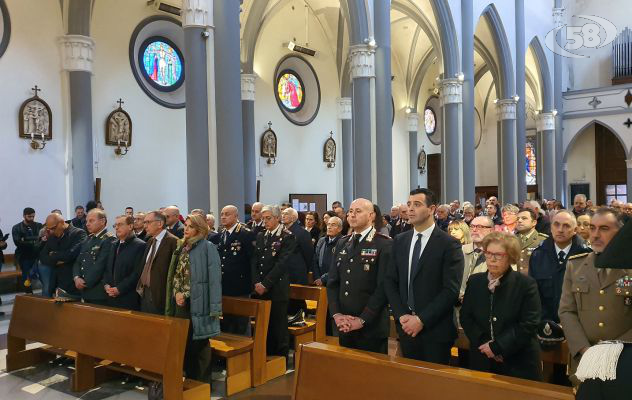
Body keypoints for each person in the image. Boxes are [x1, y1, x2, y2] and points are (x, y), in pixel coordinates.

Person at [384, 189, 463, 364]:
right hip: (405, 327)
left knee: (434, 388)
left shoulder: (449, 244)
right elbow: (390, 280)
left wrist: (421, 320)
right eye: (409, 204)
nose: (410, 209)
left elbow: (450, 290)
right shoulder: (400, 240)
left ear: (432, 209)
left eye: (417, 205)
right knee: (410, 386)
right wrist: (401, 315)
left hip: (435, 329)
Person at [558, 208, 632, 386]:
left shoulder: (629, 268)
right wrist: (585, 350)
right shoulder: (576, 265)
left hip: (625, 359)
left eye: (604, 229)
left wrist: (614, 351)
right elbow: (567, 311)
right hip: (585, 360)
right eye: (592, 228)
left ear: (621, 233)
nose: (596, 235)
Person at [460, 232, 542, 381]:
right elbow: (466, 317)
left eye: (499, 255)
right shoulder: (475, 281)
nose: (492, 259)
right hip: (482, 357)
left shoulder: (525, 284)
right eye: (488, 253)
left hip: (517, 361)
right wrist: (486, 345)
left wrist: (498, 347)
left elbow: (529, 323)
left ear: (510, 257)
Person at [328, 198, 392, 354]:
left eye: (358, 211)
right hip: (344, 323)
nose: (352, 215)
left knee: (371, 376)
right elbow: (333, 282)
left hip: (371, 325)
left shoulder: (383, 244)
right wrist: (337, 315)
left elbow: (383, 287)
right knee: (347, 374)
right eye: (350, 211)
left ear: (371, 216)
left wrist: (362, 319)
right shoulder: (343, 242)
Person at [165, 213, 221, 385]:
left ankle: (203, 383)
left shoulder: (207, 247)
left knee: (201, 343)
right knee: (185, 342)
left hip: (200, 301)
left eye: (189, 226)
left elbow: (214, 279)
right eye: (185, 226)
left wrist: (215, 308)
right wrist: (177, 293)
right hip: (181, 302)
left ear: (199, 229)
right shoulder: (182, 246)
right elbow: (175, 274)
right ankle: (189, 380)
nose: (185, 229)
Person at [529, 210, 591, 324]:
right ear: (551, 227)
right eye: (556, 224)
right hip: (545, 324)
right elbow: (534, 295)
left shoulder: (587, 255)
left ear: (575, 230)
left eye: (566, 226)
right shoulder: (538, 255)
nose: (560, 229)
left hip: (579, 324)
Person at [252, 205, 296, 360]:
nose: (265, 221)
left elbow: (282, 263)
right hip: (260, 288)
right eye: (263, 218)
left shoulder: (287, 236)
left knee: (278, 325)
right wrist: (257, 281)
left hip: (277, 287)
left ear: (278, 218)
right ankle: (266, 355)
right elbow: (255, 260)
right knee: (265, 324)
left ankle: (281, 358)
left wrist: (266, 284)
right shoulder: (261, 235)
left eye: (268, 218)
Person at [214, 205, 254, 334]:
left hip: (240, 284)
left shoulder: (244, 233)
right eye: (222, 214)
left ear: (236, 216)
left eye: (227, 214)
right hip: (225, 284)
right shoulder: (222, 233)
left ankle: (243, 350)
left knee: (241, 321)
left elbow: (252, 259)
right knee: (227, 321)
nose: (223, 217)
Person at [136, 211, 178, 314]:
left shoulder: (173, 241)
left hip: (160, 294)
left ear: (159, 224)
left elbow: (175, 271)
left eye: (148, 222)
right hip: (144, 291)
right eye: (144, 222)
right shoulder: (150, 240)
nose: (145, 226)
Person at [72, 209, 115, 305]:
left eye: (91, 221)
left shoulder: (109, 239)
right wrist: (76, 278)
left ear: (102, 221)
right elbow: (78, 261)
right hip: (84, 289)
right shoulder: (89, 238)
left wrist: (85, 283)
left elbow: (100, 265)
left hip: (97, 291)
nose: (87, 224)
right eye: (86, 221)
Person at [103, 215, 146, 310]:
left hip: (128, 298)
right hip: (110, 296)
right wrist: (106, 285)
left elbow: (137, 273)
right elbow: (107, 268)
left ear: (130, 226)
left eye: (120, 224)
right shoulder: (114, 244)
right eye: (115, 225)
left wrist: (120, 289)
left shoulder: (140, 245)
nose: (117, 227)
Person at [40, 213, 87, 297]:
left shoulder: (78, 233)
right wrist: (57, 261)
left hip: (72, 281)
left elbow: (71, 254)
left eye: (53, 228)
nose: (51, 231)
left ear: (62, 222)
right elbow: (43, 257)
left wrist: (53, 255)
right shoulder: (52, 236)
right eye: (48, 229)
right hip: (56, 281)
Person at [460, 216, 495, 300]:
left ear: (491, 230)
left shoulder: (498, 254)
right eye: (472, 226)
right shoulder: (459, 251)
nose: (474, 230)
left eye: (480, 227)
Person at [12, 207, 42, 292]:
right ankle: (29, 295)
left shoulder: (38, 225)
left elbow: (42, 238)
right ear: (24, 216)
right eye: (29, 216)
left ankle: (47, 295)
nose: (32, 218)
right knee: (26, 278)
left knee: (42, 274)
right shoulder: (17, 227)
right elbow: (18, 242)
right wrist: (34, 241)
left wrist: (25, 239)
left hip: (37, 255)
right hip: (24, 256)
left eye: (33, 216)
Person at [281, 208, 313, 286]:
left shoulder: (302, 233)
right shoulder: (280, 231)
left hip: (296, 274)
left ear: (293, 218)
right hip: (282, 273)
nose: (283, 216)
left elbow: (308, 255)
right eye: (282, 214)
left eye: (286, 214)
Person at [515, 209, 548, 275]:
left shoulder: (544, 240)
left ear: (534, 222)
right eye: (518, 219)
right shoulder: (511, 239)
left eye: (524, 218)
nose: (519, 221)